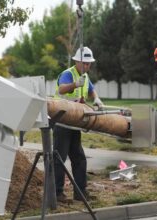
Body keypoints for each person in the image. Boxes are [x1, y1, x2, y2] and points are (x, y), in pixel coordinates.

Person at [53, 46, 103, 202]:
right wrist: (75, 84)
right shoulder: (68, 74)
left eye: (89, 64)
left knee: (79, 158)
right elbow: (61, 89)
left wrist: (96, 98)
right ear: (77, 61)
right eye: (85, 63)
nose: (87, 66)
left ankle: (80, 192)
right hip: (62, 122)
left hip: (75, 123)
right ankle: (57, 193)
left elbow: (91, 89)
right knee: (59, 158)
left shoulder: (86, 77)